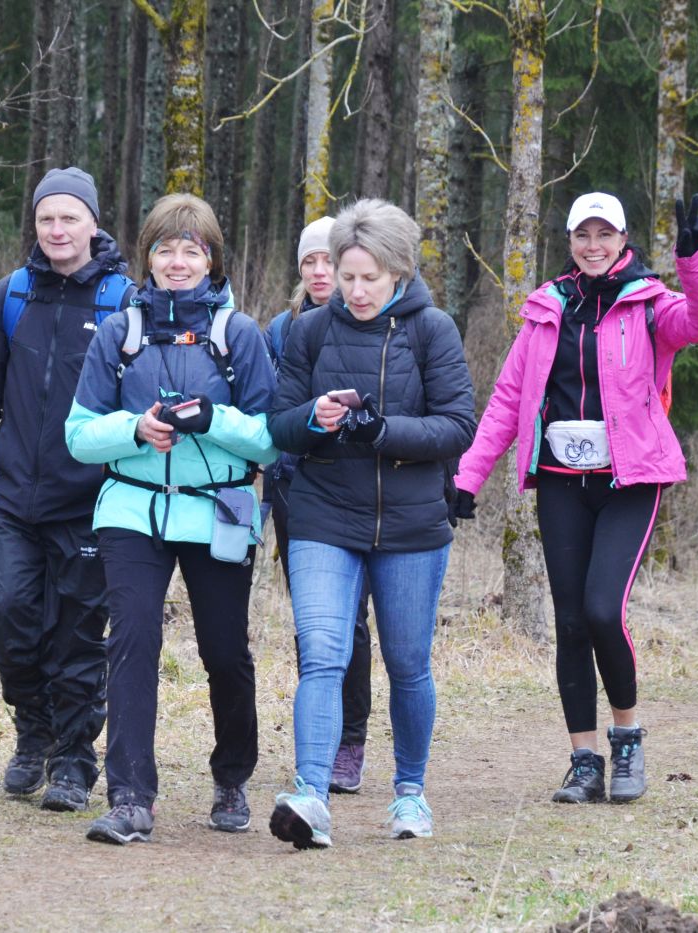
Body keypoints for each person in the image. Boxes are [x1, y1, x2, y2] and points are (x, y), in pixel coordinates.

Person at [451, 192, 698, 803]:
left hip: (630, 480)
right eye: (584, 235)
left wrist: (693, 260)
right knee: (572, 623)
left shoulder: (651, 305)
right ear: (571, 241)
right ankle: (583, 761)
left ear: (623, 240)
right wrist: (468, 477)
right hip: (559, 480)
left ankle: (627, 742)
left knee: (604, 610)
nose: (594, 246)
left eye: (606, 235)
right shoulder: (548, 309)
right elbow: (506, 400)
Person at [64, 193, 277, 845]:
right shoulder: (118, 333)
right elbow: (78, 434)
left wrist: (216, 421)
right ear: (147, 257)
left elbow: (272, 440)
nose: (178, 260)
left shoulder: (239, 335)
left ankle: (232, 775)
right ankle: (130, 796)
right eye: (165, 248)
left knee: (224, 650)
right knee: (131, 641)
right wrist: (136, 427)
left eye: (192, 249)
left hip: (225, 507)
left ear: (212, 260)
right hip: (131, 506)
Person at [266, 198, 476, 848]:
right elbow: (278, 426)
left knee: (408, 663)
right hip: (324, 517)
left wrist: (383, 430)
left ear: (399, 272)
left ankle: (410, 793)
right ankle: (310, 794)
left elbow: (457, 424)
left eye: (369, 277)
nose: (354, 289)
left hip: (412, 526)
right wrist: (314, 419)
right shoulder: (309, 331)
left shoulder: (432, 329)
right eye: (345, 274)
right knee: (323, 656)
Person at [0, 167, 134, 812]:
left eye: (69, 218)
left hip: (92, 504)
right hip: (16, 502)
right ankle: (34, 733)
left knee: (79, 637)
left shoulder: (123, 302)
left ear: (93, 222)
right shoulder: (9, 298)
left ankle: (75, 761)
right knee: (5, 617)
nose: (57, 229)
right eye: (47, 218)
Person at [262, 215, 374, 795]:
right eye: (309, 261)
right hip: (290, 488)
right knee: (314, 624)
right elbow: (268, 413)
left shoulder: (372, 324)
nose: (319, 271)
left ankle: (349, 742)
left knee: (350, 621)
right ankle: (319, 741)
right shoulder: (281, 330)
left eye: (327, 260)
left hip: (357, 489)